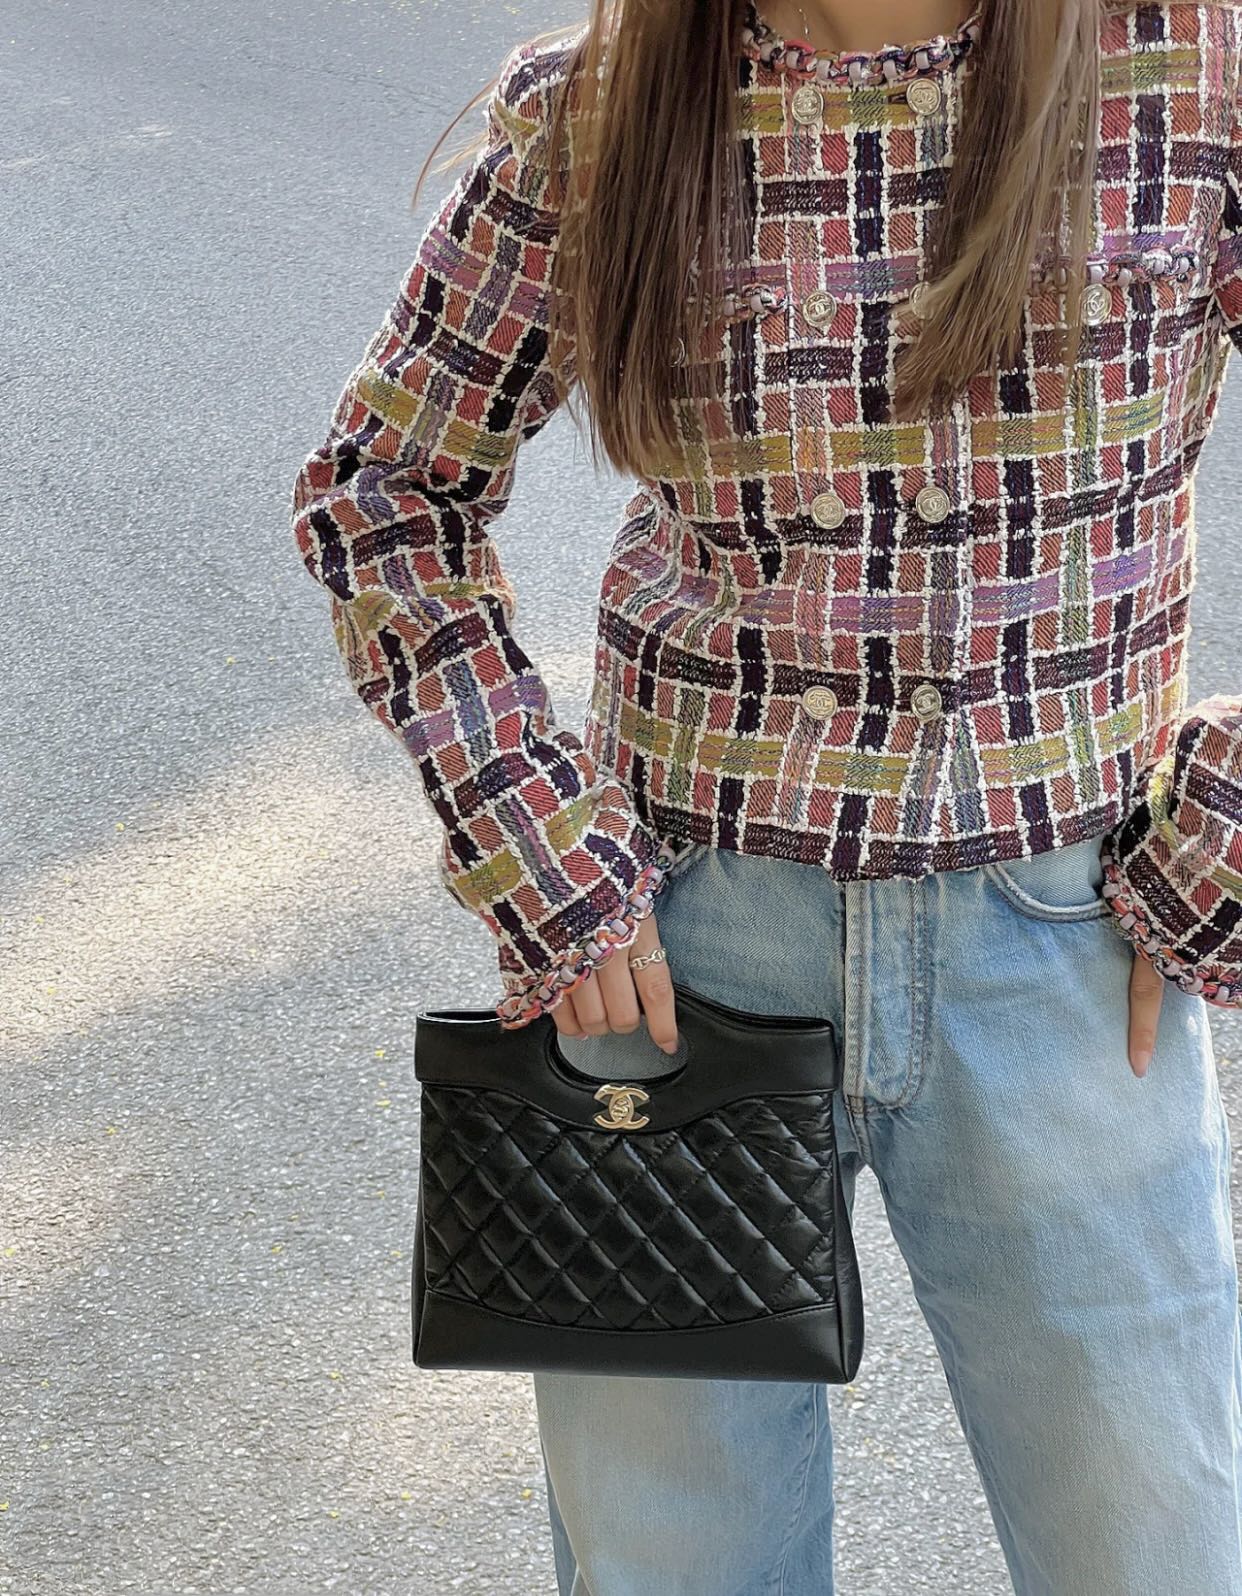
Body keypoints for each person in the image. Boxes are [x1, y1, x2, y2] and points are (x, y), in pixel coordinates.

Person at [290, 0, 1242, 1589]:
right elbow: (384, 487)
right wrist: (542, 852)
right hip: (667, 962)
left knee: (1149, 1554)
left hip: (1071, 960)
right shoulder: (598, 109)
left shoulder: (1188, 62)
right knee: (673, 1564)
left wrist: (1220, 833)